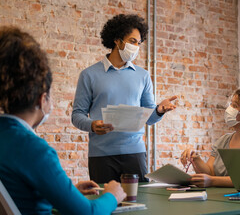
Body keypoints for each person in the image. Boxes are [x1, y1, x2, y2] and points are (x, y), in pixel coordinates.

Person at [0, 26, 126, 214]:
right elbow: (89, 213)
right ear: (42, 100)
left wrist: (68, 194)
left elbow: (18, 195)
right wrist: (112, 196)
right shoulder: (34, 150)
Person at [72, 14, 177, 183]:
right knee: (107, 206)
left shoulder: (143, 76)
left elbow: (149, 119)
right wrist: (92, 125)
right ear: (117, 40)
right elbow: (77, 115)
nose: (136, 46)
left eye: (138, 43)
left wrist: (159, 110)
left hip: (134, 153)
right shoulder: (89, 75)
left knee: (140, 204)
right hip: (101, 155)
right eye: (132, 41)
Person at [180, 88, 240, 187]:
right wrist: (195, 158)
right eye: (230, 104)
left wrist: (212, 181)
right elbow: (210, 173)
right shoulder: (223, 140)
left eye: (235, 106)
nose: (229, 109)